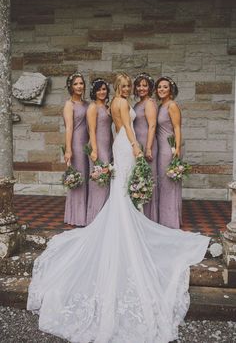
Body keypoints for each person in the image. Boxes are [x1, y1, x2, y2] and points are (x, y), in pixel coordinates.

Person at [27, 72, 210, 343]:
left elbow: (116, 129)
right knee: (124, 191)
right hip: (127, 147)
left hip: (120, 147)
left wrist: (126, 147)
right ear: (119, 87)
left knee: (122, 192)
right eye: (125, 86)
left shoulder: (114, 102)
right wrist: (136, 149)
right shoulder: (122, 104)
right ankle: (126, 228)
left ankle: (125, 224)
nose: (128, 89)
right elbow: (125, 126)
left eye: (129, 86)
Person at [155, 76, 182, 229]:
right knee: (162, 182)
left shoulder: (172, 105)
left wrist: (177, 148)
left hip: (168, 147)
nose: (162, 90)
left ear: (171, 89)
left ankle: (170, 220)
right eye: (159, 87)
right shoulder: (160, 106)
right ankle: (163, 217)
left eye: (165, 87)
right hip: (160, 147)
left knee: (168, 183)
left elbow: (177, 127)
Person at [63, 72, 89, 227]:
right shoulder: (69, 105)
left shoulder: (86, 104)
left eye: (81, 83)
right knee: (79, 178)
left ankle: (86, 213)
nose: (79, 86)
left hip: (88, 144)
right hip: (77, 144)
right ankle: (77, 215)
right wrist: (68, 149)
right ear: (70, 87)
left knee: (87, 176)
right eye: (76, 84)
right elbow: (69, 128)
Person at [86, 78, 112, 224]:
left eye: (104, 89)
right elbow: (91, 130)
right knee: (99, 181)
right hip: (98, 147)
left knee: (107, 179)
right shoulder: (93, 107)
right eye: (98, 89)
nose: (102, 92)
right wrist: (95, 150)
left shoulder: (106, 107)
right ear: (94, 92)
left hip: (108, 146)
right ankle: (95, 218)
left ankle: (105, 217)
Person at [133, 72, 158, 222]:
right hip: (138, 145)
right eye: (139, 85)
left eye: (144, 85)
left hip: (147, 144)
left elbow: (152, 125)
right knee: (141, 178)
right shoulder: (137, 104)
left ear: (149, 88)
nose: (141, 88)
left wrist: (148, 147)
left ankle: (150, 217)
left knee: (148, 178)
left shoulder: (149, 103)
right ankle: (141, 215)